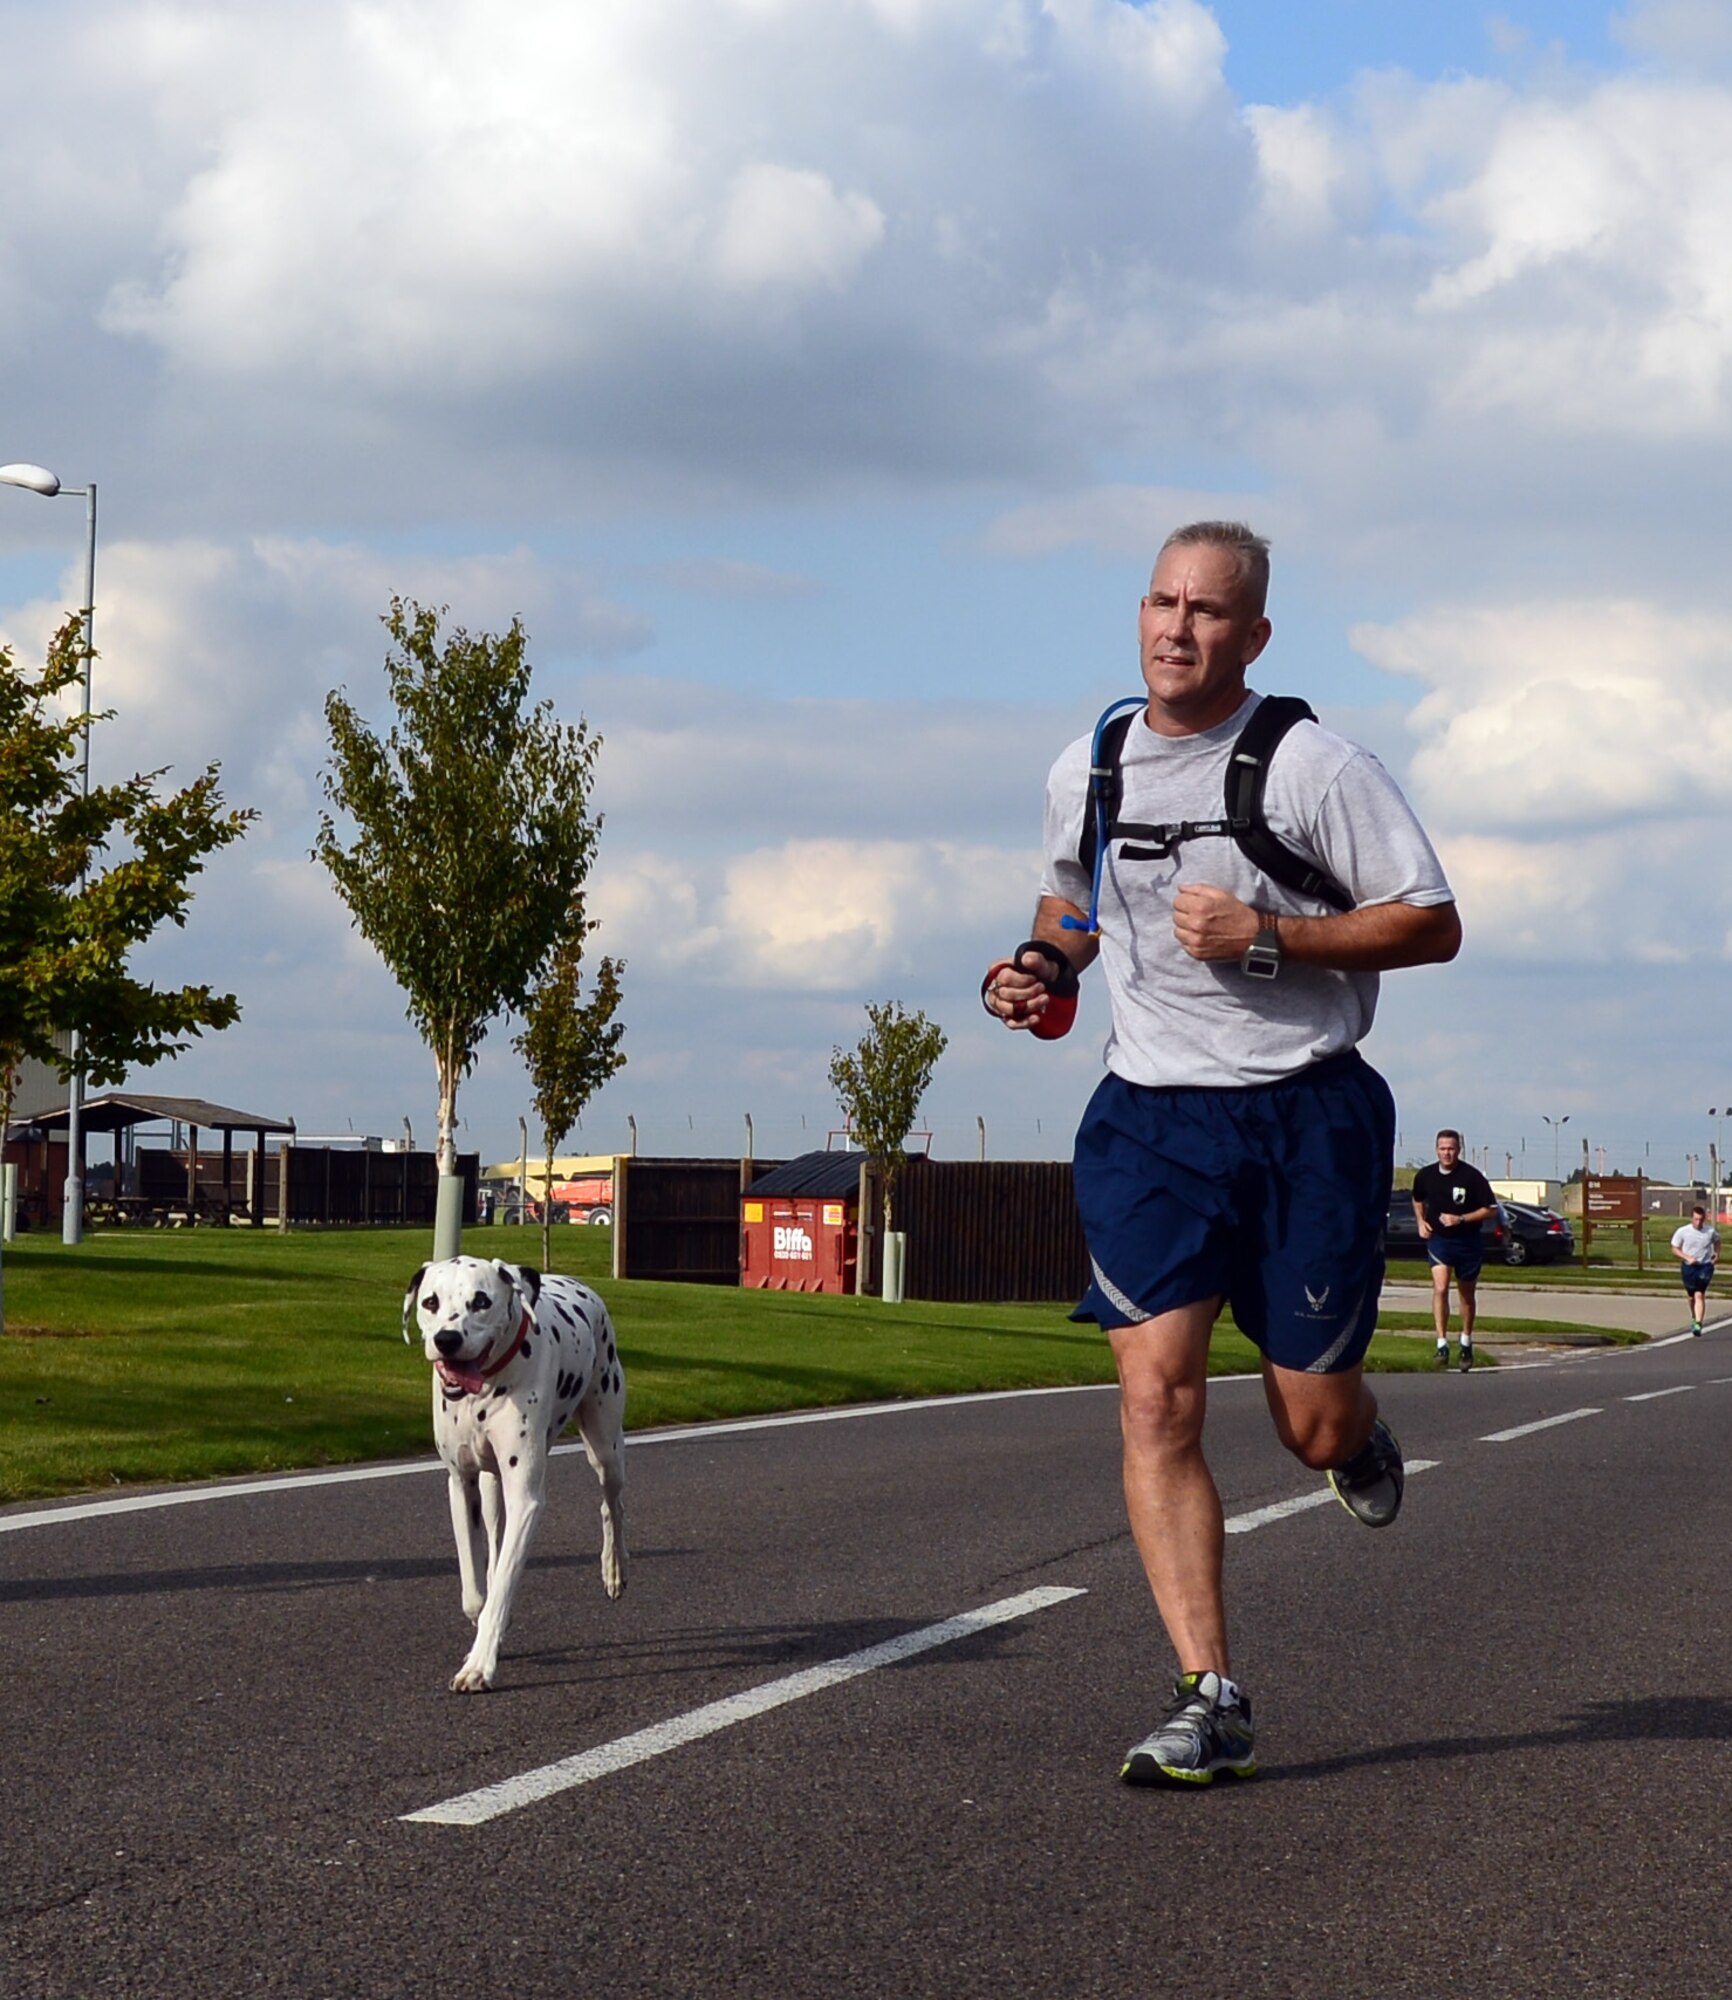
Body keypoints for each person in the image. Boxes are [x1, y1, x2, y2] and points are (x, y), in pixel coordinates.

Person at [984, 521, 1460, 1787]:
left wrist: (1268, 936)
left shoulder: (1313, 767)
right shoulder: (1089, 765)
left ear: (1251, 636)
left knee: (1305, 1421)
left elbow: (1431, 923)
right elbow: (1071, 902)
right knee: (1156, 1398)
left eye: (1205, 611)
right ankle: (1210, 1691)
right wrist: (1042, 964)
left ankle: (1353, 1434)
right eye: (1159, 600)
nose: (1174, 627)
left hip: (1307, 1113)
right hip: (1151, 1120)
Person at [1409, 1131, 1498, 1372]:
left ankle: (1466, 1342)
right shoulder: (1426, 1175)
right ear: (1436, 1150)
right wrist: (1421, 1221)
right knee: (1440, 1288)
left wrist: (1460, 1218)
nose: (1446, 1153)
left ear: (1458, 1150)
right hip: (1440, 1241)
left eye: (1451, 1148)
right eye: (1442, 1148)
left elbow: (1490, 1209)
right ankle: (1441, 1343)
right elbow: (1417, 1199)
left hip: (1467, 1241)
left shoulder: (1471, 1177)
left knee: (1466, 1294)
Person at [1670, 1203, 1719, 1335]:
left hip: (1705, 1265)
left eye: (1701, 1220)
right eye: (1696, 1219)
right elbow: (1674, 1248)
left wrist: (1716, 1254)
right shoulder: (1682, 1231)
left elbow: (1717, 1241)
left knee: (1700, 1294)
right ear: (1692, 1218)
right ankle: (1694, 1316)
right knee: (1692, 1296)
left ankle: (1698, 1324)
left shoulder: (1710, 1231)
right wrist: (1687, 1257)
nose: (1698, 1222)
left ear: (1704, 1219)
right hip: (1689, 1267)